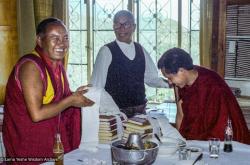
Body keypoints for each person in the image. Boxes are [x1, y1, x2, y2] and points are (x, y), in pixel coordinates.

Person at [3, 17, 94, 164]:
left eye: (65, 38)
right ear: (39, 40)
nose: (62, 43)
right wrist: (71, 100)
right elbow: (36, 114)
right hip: (28, 144)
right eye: (54, 38)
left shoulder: (56, 65)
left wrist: (74, 95)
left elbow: (57, 99)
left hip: (52, 140)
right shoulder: (31, 66)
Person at [157, 47, 250, 144]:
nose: (170, 82)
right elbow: (180, 114)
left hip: (221, 139)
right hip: (193, 138)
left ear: (181, 70)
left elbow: (220, 127)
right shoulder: (180, 83)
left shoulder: (213, 86)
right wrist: (178, 141)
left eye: (170, 78)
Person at [90, 10, 168, 118]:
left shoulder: (140, 50)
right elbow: (96, 87)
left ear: (134, 27)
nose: (121, 28)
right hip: (116, 114)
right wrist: (112, 112)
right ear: (113, 27)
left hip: (140, 114)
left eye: (126, 24)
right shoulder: (106, 51)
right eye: (117, 24)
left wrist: (171, 83)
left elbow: (151, 79)